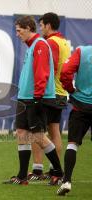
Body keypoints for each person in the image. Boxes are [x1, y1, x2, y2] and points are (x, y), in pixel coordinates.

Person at [3, 16, 63, 185]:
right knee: (22, 134)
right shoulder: (31, 46)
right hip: (25, 98)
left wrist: (37, 98)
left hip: (35, 99)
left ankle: (59, 172)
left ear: (29, 28)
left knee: (38, 136)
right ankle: (22, 176)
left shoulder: (40, 45)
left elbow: (42, 73)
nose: (17, 34)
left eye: (19, 30)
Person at [28, 12, 71, 181]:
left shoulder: (50, 42)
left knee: (36, 131)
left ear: (48, 25)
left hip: (49, 92)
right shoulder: (64, 42)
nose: (40, 28)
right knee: (55, 131)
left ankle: (38, 170)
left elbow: (48, 68)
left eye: (41, 25)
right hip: (61, 92)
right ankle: (55, 171)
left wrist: (39, 91)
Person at [57, 46, 92, 195]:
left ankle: (67, 181)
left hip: (81, 105)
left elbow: (65, 72)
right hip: (81, 104)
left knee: (72, 144)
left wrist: (70, 89)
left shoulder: (82, 51)